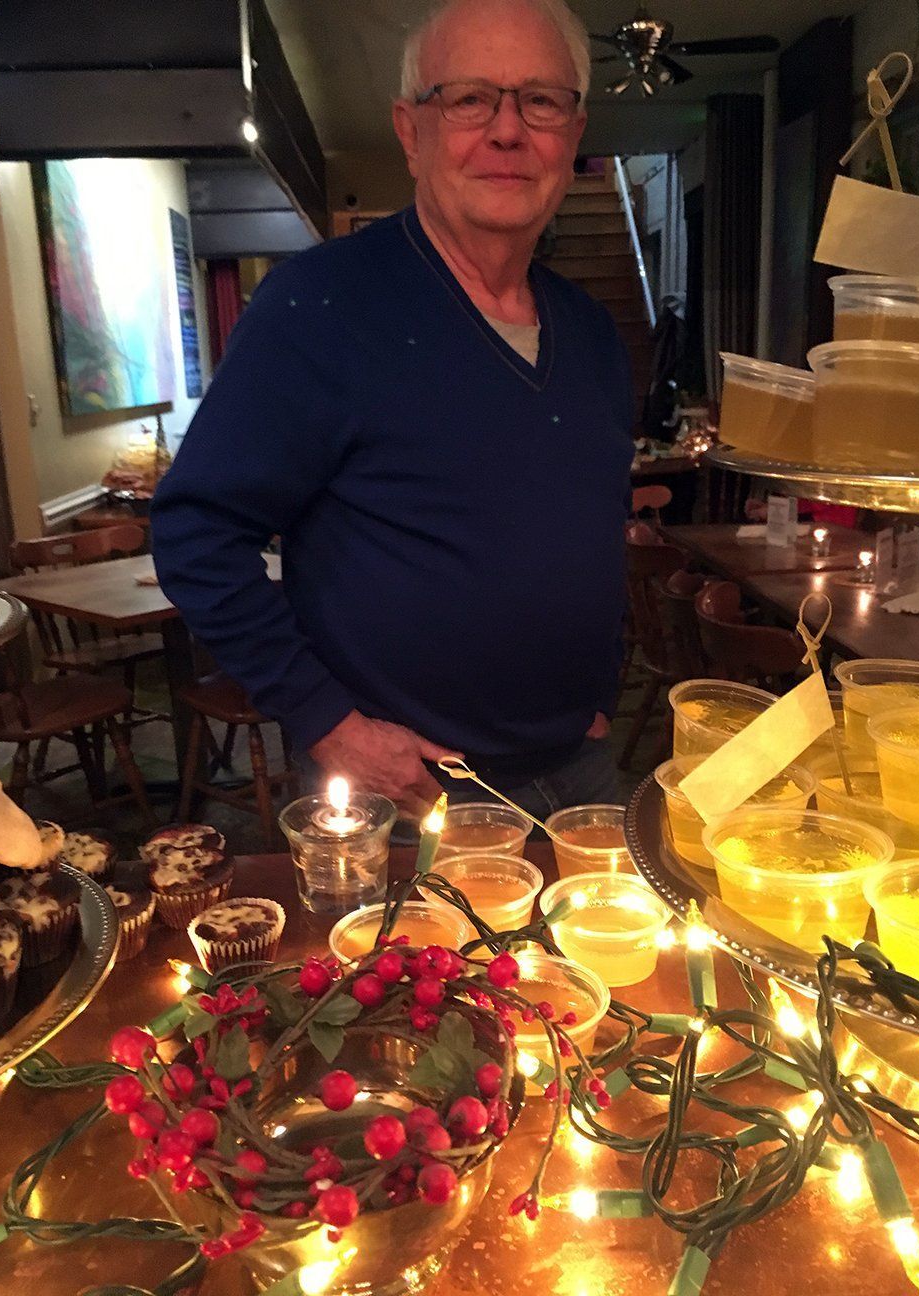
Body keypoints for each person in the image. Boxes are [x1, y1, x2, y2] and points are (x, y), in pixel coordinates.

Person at [151, 0, 635, 821]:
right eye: (471, 99)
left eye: (541, 101)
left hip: (581, 770)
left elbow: (587, 529)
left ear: (574, 132)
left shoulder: (591, 334)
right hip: (407, 797)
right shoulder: (323, 303)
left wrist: (599, 690)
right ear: (412, 132)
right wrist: (326, 723)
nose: (508, 131)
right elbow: (197, 533)